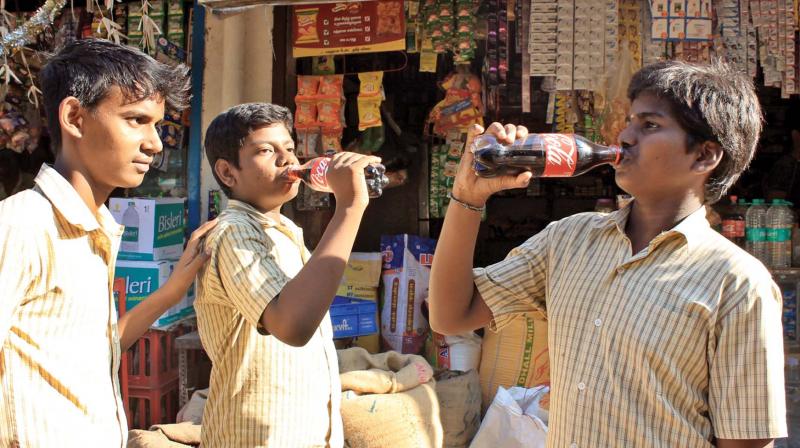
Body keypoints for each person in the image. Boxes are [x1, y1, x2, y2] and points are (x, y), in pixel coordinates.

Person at [429, 60, 786, 447]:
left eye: (649, 125)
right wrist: (468, 196)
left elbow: (746, 441)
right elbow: (451, 315)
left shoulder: (736, 283)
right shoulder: (568, 241)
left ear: (703, 156)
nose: (625, 136)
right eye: (630, 121)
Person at [0, 39, 216, 447]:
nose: (154, 143)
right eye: (136, 120)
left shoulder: (95, 228)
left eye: (156, 124)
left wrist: (172, 291)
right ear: (75, 117)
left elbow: (90, 351)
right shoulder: (24, 225)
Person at [196, 102, 380, 447]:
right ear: (227, 172)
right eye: (267, 151)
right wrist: (351, 207)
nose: (287, 161)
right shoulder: (233, 232)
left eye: (290, 149)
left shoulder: (285, 230)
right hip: (256, 437)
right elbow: (291, 326)